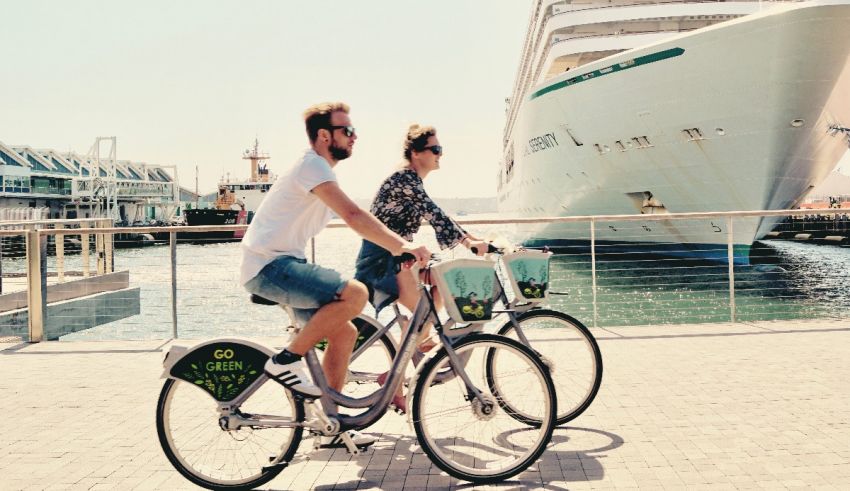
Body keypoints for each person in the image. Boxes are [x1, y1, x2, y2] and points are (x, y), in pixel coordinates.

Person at [240, 102, 430, 445]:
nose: (354, 137)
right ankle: (285, 361)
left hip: (282, 264)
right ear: (324, 135)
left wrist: (396, 248)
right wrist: (402, 246)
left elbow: (357, 218)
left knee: (344, 334)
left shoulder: (318, 169)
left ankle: (328, 426)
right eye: (348, 131)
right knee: (355, 294)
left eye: (354, 130)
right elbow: (355, 217)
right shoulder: (312, 165)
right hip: (269, 266)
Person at [354, 124, 489, 413]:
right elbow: (434, 212)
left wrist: (470, 238)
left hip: (399, 257)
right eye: (435, 149)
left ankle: (414, 344)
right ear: (416, 153)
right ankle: (401, 367)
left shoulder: (412, 180)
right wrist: (468, 242)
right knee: (423, 314)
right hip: (381, 259)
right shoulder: (405, 178)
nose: (440, 155)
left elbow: (436, 215)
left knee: (442, 284)